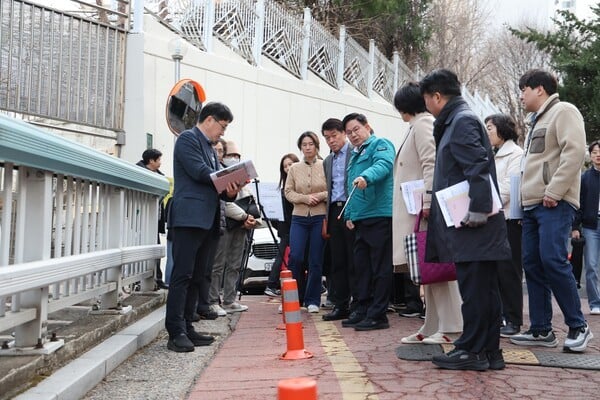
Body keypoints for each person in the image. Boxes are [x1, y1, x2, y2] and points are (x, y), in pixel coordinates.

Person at [420, 69, 511, 370]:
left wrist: (478, 210)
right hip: (474, 222)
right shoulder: (459, 120)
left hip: (473, 222)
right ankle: (488, 351)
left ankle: (471, 350)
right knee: (483, 288)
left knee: (475, 289)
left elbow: (477, 167)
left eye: (427, 99)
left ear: (437, 96)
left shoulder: (460, 121)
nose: (427, 106)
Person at [511, 69, 593, 352]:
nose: (521, 95)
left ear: (540, 90)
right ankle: (541, 329)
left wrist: (554, 191)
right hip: (534, 204)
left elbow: (575, 152)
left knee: (553, 260)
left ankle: (578, 325)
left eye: (524, 89)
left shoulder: (564, 111)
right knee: (532, 264)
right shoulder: (537, 121)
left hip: (553, 202)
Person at [165, 102, 242, 353]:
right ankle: (175, 331)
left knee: (198, 277)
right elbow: (200, 173)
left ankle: (188, 325)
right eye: (222, 126)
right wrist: (226, 177)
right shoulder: (188, 139)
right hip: (189, 218)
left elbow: (216, 182)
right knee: (183, 275)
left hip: (207, 219)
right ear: (209, 120)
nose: (223, 132)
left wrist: (232, 188)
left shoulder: (210, 148)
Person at [392, 82, 463, 345]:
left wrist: (429, 200)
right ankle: (433, 323)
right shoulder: (419, 125)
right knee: (429, 269)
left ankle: (452, 326)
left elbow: (431, 163)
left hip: (422, 210)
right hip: (417, 209)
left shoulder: (422, 124)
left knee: (437, 268)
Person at [340, 113, 395, 331]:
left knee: (380, 267)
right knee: (362, 267)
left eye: (356, 129)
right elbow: (350, 188)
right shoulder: (354, 155)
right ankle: (362, 308)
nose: (353, 135)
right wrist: (349, 214)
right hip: (360, 218)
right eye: (349, 132)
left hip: (379, 214)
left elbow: (383, 165)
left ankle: (378, 314)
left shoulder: (380, 145)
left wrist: (367, 177)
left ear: (367, 127)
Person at [484, 113, 524, 337]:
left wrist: (484, 200)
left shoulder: (515, 154)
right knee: (494, 271)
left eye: (489, 127)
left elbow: (509, 186)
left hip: (508, 218)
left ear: (502, 129)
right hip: (492, 217)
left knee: (509, 271)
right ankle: (497, 315)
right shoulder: (491, 153)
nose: (486, 132)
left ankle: (514, 319)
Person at [208, 140, 258, 315]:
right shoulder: (216, 172)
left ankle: (230, 299)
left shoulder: (241, 176)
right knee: (218, 264)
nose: (233, 159)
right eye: (230, 155)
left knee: (235, 264)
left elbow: (248, 197)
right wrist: (244, 216)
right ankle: (213, 300)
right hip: (226, 222)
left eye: (237, 156)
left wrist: (249, 217)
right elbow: (224, 202)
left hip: (241, 224)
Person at [284, 131, 328, 313]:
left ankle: (313, 300)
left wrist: (319, 196)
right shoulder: (294, 168)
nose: (308, 147)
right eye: (304, 144)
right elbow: (288, 192)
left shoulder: (326, 165)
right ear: (300, 147)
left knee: (315, 260)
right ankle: (295, 297)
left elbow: (333, 189)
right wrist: (303, 198)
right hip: (299, 217)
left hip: (319, 217)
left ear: (317, 146)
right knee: (296, 257)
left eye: (311, 144)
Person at [321, 118, 357, 321]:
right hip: (334, 212)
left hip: (351, 209)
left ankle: (357, 303)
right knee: (338, 261)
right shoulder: (328, 161)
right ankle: (340, 304)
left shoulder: (355, 153)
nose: (331, 141)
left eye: (334, 136)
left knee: (354, 259)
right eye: (327, 138)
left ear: (343, 133)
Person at [264, 153, 300, 297]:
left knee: (298, 255)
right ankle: (271, 284)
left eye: (290, 164)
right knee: (282, 256)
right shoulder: (283, 188)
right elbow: (274, 212)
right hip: (288, 227)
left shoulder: (298, 182)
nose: (287, 168)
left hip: (297, 225)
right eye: (285, 166)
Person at [573, 141, 600, 316]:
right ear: (590, 155)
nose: (598, 155)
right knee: (591, 265)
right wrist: (575, 226)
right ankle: (595, 302)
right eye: (595, 152)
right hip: (591, 226)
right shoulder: (584, 178)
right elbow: (578, 204)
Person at [136, 148, 168, 290]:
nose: (160, 162)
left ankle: (157, 278)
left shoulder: (159, 176)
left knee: (156, 249)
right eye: (159, 159)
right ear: (151, 160)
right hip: (141, 218)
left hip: (155, 218)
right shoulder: (138, 172)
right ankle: (141, 279)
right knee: (142, 250)